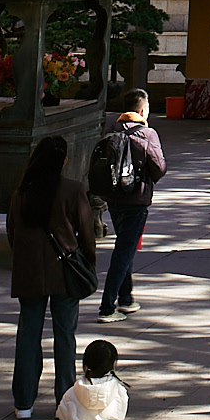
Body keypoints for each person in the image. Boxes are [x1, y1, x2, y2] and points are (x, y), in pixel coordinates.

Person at [7, 132, 97, 420]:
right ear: (64, 161)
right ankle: (64, 399)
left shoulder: (22, 192)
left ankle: (24, 402)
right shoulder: (72, 190)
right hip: (64, 270)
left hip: (29, 271)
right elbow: (87, 233)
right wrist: (88, 263)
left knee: (28, 334)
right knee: (65, 336)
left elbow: (12, 232)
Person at [88, 88, 167, 320]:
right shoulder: (147, 134)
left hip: (113, 197)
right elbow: (159, 167)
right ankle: (107, 306)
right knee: (123, 251)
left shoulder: (111, 128)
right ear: (143, 110)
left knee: (126, 245)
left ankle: (126, 298)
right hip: (136, 197)